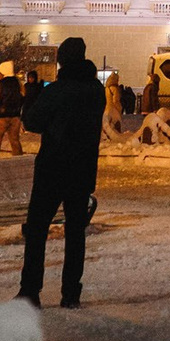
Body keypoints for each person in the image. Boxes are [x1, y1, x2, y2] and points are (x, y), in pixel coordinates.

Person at [17, 37, 105, 308]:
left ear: (62, 60)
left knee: (37, 230)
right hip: (82, 167)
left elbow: (32, 121)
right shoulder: (96, 91)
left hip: (53, 167)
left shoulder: (56, 90)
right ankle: (71, 293)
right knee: (75, 232)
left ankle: (31, 290)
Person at [0, 60, 27, 158]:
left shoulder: (1, 83)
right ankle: (19, 160)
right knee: (15, 141)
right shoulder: (17, 83)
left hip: (2, 116)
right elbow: (22, 98)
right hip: (15, 117)